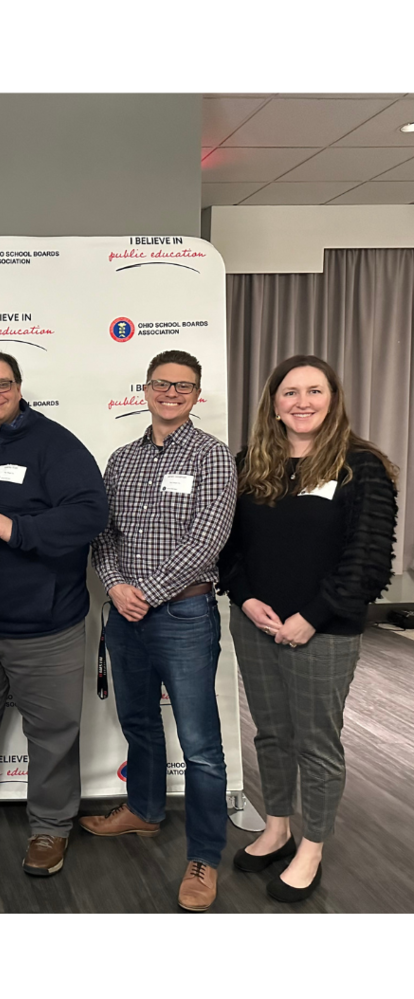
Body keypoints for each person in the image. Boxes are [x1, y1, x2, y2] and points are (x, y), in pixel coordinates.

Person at [218, 355, 397, 902]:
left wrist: (310, 619)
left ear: (332, 397)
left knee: (317, 743)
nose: (302, 402)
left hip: (324, 630)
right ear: (272, 402)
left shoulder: (360, 466)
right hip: (256, 625)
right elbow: (230, 549)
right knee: (272, 734)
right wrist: (246, 600)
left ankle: (312, 846)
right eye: (289, 392)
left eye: (313, 391)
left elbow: (367, 560)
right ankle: (277, 826)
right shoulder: (249, 464)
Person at [0, 350, 108, 876]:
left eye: (2, 384)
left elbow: (90, 513)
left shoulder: (55, 443)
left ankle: (51, 827)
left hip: (45, 626)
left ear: (19, 387)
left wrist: (18, 528)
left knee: (52, 733)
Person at [85, 349, 237, 911]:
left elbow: (207, 543)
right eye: (161, 384)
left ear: (198, 395)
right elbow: (102, 534)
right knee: (139, 722)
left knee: (199, 746)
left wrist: (144, 592)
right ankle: (144, 811)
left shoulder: (213, 457)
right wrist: (118, 586)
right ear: (145, 390)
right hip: (124, 614)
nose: (171, 393)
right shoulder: (121, 459)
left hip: (184, 615)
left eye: (184, 386)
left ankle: (204, 854)